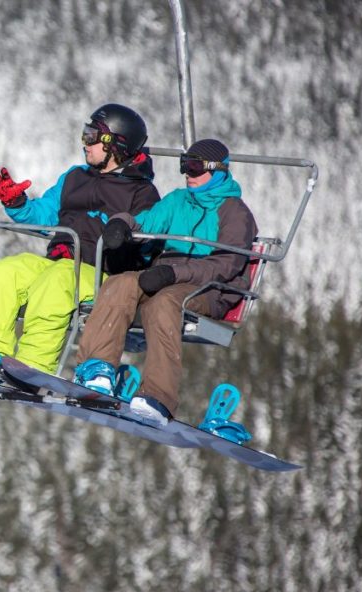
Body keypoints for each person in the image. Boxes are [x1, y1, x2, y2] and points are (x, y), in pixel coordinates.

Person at [0, 103, 160, 382]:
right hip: (61, 261)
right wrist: (17, 203)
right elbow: (43, 215)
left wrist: (127, 238)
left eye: (92, 136)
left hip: (101, 273)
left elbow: (150, 239)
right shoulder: (74, 178)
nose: (85, 143)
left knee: (57, 281)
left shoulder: (142, 193)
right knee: (5, 271)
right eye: (85, 134)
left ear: (115, 144)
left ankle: (32, 367)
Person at [73, 138, 258, 426]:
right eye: (184, 166)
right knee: (120, 283)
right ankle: (97, 369)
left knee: (164, 303)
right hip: (167, 274)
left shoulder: (235, 213)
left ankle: (158, 396)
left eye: (195, 167)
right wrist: (122, 223)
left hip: (211, 288)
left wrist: (175, 274)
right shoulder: (177, 200)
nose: (188, 174)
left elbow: (226, 264)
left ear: (218, 171)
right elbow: (147, 221)